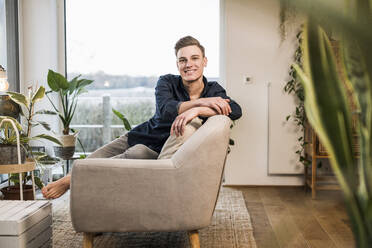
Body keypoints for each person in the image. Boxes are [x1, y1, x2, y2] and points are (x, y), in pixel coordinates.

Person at [42, 36, 242, 199]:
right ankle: (71, 182)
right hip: (140, 135)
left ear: (204, 61)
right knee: (93, 159)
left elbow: (235, 109)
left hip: (155, 151)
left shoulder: (213, 89)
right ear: (177, 64)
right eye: (183, 60)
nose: (189, 64)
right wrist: (203, 103)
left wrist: (196, 111)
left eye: (194, 58)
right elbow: (166, 110)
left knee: (109, 164)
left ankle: (69, 181)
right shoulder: (167, 82)